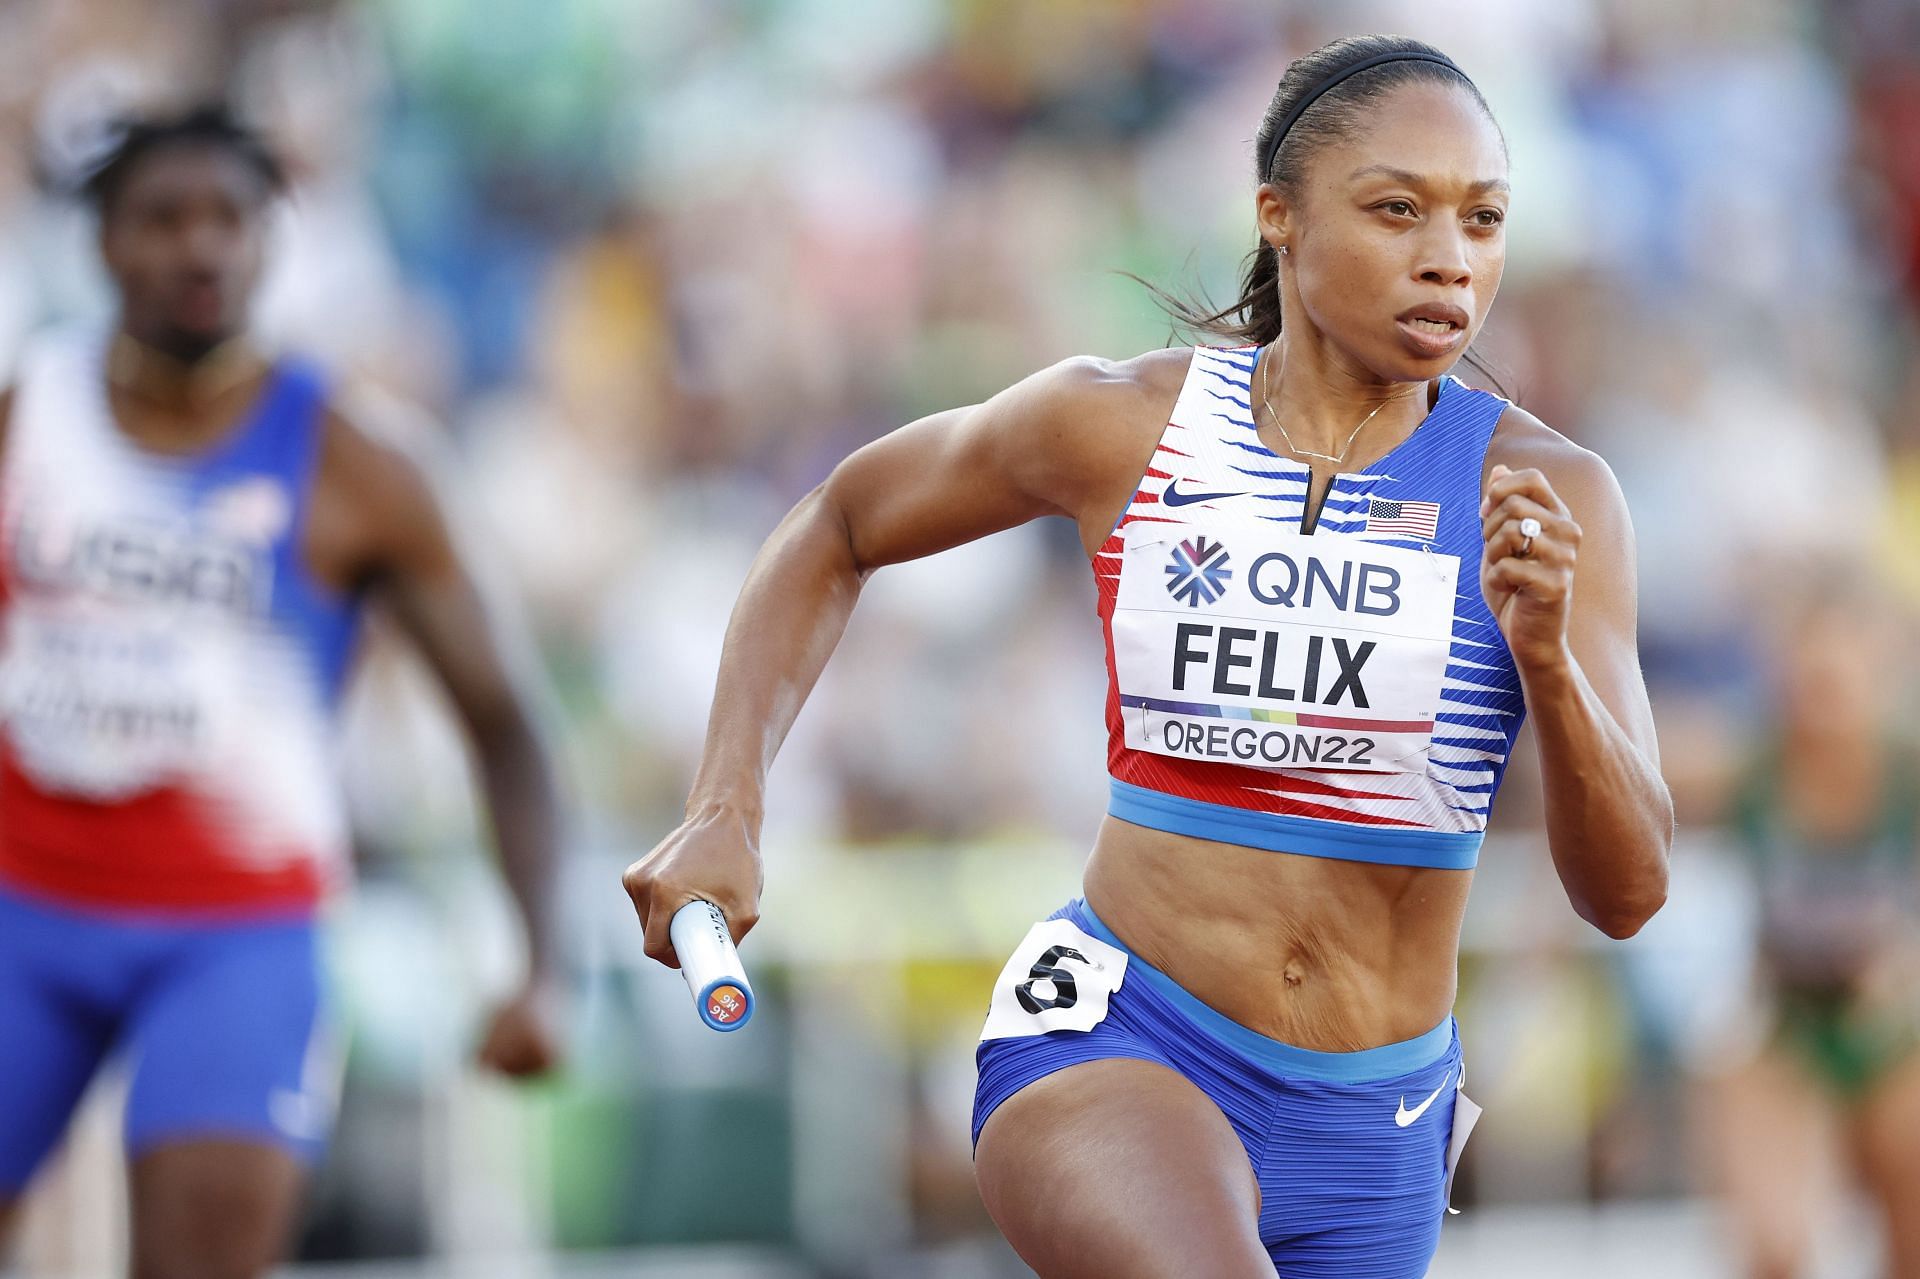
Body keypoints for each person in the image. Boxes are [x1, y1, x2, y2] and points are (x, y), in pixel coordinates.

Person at [622, 33, 1671, 1278]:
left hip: (1375, 1118)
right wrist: (727, 805)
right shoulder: (1125, 423)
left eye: (1484, 219)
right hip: (1126, 1042)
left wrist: (1547, 664)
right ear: (1278, 216)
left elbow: (1628, 895)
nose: (1449, 256)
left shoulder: (1547, 495)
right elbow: (838, 524)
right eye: (1398, 210)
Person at [0, 107, 565, 1279]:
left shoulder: (363, 466)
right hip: (25, 907)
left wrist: (543, 966)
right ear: (102, 242)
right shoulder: (24, 417)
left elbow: (508, 724)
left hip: (237, 931)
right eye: (164, 219)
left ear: (274, 243)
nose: (201, 248)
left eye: (233, 220)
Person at [1700, 576, 1920, 1279]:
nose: (1823, 693)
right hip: (1784, 1022)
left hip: (1895, 1026)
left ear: (1881, 668)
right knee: (1774, 1244)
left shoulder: (1907, 776)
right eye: (1808, 670)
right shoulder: (1749, 771)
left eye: (1842, 670)